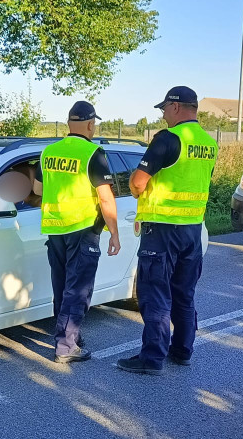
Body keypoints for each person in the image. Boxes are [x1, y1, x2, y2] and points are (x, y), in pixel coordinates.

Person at [116, 86, 217, 375]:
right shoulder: (209, 143)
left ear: (175, 107)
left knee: (156, 294)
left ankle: (152, 358)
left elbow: (137, 182)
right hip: (192, 230)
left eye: (163, 109)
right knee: (184, 293)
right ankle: (183, 350)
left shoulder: (168, 139)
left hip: (162, 230)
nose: (162, 115)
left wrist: (139, 196)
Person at [35, 100, 121, 363]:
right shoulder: (93, 153)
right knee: (79, 290)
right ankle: (66, 345)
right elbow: (105, 198)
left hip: (55, 228)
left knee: (62, 287)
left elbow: (38, 191)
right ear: (90, 124)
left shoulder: (48, 152)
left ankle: (71, 334)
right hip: (83, 229)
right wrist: (114, 232)